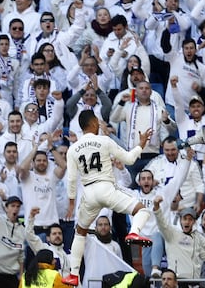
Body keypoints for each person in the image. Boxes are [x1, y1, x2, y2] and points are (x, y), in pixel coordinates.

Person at [61, 109, 153, 286]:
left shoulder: (72, 149)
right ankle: (134, 233)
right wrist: (140, 145)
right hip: (106, 188)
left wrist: (72, 203)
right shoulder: (104, 140)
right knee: (142, 209)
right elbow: (129, 159)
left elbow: (72, 179)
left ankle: (73, 274)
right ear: (94, 123)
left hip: (88, 194)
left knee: (80, 232)